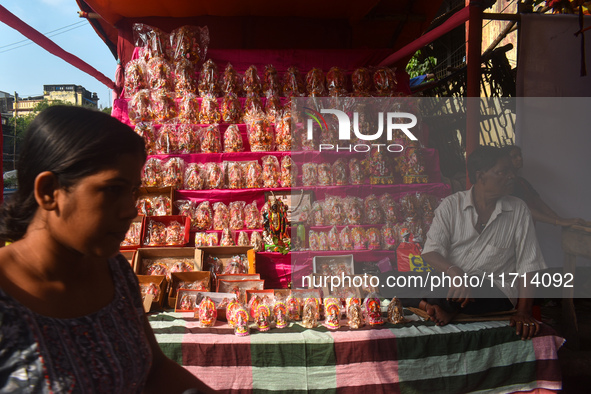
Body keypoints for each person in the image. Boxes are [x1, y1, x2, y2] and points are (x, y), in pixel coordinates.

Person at [0, 106, 211, 393]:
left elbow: (155, 371)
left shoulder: (115, 273)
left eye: (134, 191)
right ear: (50, 191)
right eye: (113, 189)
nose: (130, 210)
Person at [413, 146, 547, 340]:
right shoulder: (451, 205)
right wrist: (455, 273)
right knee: (389, 280)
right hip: (452, 283)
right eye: (503, 172)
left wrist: (523, 312)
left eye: (512, 171)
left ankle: (433, 305)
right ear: (481, 176)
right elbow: (430, 252)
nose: (511, 176)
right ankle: (440, 307)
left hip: (492, 289)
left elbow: (529, 265)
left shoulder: (519, 210)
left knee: (468, 290)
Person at [502, 145, 587, 227]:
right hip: (512, 227)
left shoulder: (522, 182)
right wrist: (558, 222)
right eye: (514, 156)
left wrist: (559, 219)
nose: (520, 159)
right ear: (505, 160)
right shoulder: (506, 184)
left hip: (526, 227)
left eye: (520, 155)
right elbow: (525, 209)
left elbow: (539, 202)